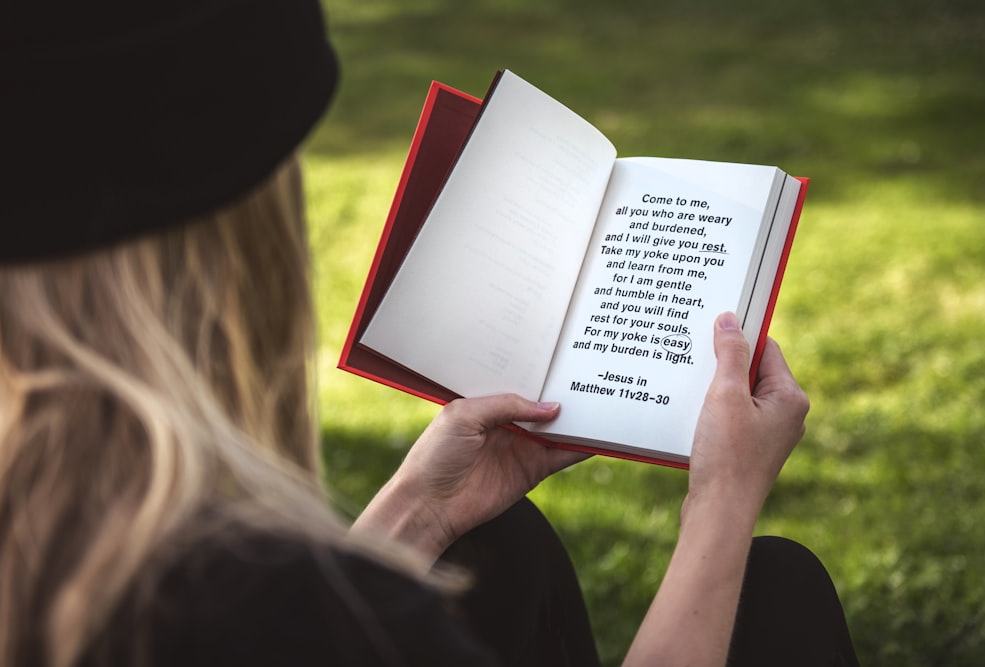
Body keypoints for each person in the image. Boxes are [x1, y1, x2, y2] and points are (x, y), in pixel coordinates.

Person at [0, 1, 859, 666]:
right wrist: (721, 501)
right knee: (777, 593)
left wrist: (421, 507)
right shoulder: (222, 595)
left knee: (494, 553)